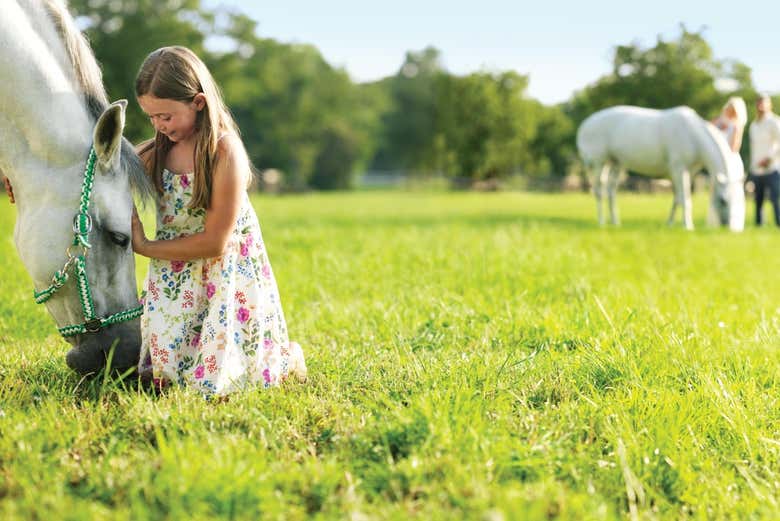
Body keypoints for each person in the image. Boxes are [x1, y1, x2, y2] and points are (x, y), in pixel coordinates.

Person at [131, 46, 306, 395]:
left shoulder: (224, 152)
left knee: (221, 380)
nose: (158, 126)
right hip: (175, 278)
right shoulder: (156, 151)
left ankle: (287, 359)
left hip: (223, 275)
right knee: (160, 377)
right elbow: (98, 174)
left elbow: (215, 242)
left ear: (198, 102)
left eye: (165, 116)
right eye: (151, 117)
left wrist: (146, 246)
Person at [748, 94, 780, 226]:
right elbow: (753, 148)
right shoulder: (754, 125)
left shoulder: (774, 121)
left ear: (769, 104)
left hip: (773, 169)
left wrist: (769, 159)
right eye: (759, 102)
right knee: (758, 201)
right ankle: (758, 225)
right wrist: (752, 168)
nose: (761, 105)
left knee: (775, 199)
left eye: (764, 102)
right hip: (757, 170)